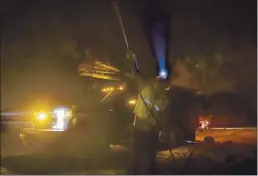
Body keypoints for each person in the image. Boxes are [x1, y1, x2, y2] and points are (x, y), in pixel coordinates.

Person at [126, 50, 168, 174]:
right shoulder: (146, 90)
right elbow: (135, 74)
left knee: (149, 159)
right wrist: (133, 59)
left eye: (162, 83)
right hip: (139, 130)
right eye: (158, 81)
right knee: (136, 157)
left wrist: (160, 127)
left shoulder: (163, 99)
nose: (159, 84)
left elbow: (160, 115)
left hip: (151, 133)